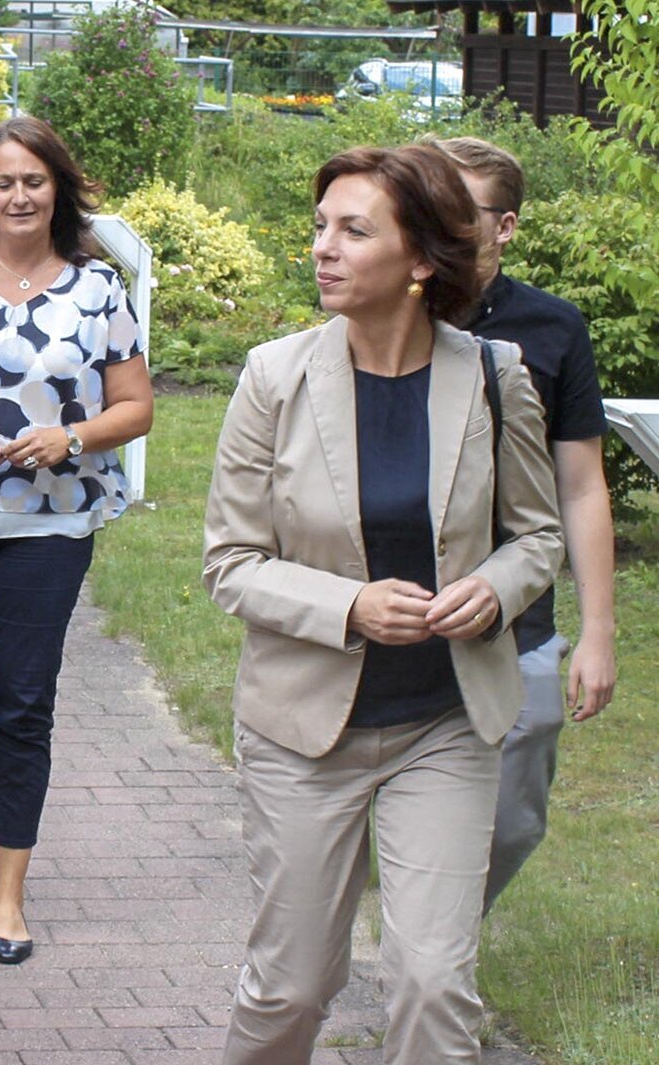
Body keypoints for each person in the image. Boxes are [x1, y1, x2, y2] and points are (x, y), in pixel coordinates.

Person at [203, 144, 563, 1064]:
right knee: (294, 985)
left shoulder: (495, 373)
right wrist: (351, 606)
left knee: (433, 982)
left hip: (444, 722)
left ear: (420, 260)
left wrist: (496, 587)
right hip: (303, 730)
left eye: (352, 230)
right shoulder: (273, 378)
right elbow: (231, 563)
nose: (322, 247)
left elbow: (539, 536)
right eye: (320, 226)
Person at [0, 115, 153, 966]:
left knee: (21, 704)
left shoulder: (97, 288)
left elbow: (135, 406)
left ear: (59, 190)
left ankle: (8, 891)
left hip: (49, 523)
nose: (18, 195)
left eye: (34, 181)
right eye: (4, 181)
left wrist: (71, 438)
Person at [430, 136, 617, 912]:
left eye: (461, 213)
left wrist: (599, 630)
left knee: (511, 819)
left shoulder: (553, 329)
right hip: (402, 601)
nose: (441, 226)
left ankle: (443, 930)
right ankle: (430, 954)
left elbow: (581, 486)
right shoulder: (388, 310)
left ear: (505, 227)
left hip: (521, 618)